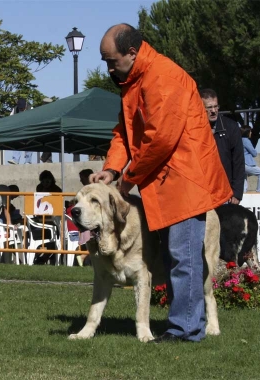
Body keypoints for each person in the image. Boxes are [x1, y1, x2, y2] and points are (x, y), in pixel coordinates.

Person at [92, 24, 231, 343]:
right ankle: (185, 324)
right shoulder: (134, 81)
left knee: (184, 258)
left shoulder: (163, 76)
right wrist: (111, 170)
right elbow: (124, 134)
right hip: (169, 184)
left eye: (111, 61)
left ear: (132, 52)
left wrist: (126, 181)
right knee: (175, 258)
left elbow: (160, 140)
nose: (108, 68)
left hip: (186, 181)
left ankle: (185, 330)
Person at [199, 88, 245, 204]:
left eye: (216, 106)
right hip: (201, 194)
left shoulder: (231, 127)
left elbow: (238, 161)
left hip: (225, 194)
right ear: (200, 107)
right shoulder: (193, 129)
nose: (214, 111)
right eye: (209, 108)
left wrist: (237, 192)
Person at [241, 126, 260, 192]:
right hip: (247, 163)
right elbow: (254, 153)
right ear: (247, 132)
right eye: (250, 131)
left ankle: (243, 194)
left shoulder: (239, 140)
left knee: (244, 178)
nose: (251, 133)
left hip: (240, 163)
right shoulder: (246, 140)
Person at [8, 99, 33, 165]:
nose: (21, 109)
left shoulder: (31, 108)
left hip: (28, 129)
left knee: (29, 144)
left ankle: (28, 161)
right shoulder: (15, 109)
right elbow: (10, 119)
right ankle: (15, 160)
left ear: (25, 105)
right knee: (17, 143)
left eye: (22, 108)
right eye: (20, 108)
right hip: (18, 130)